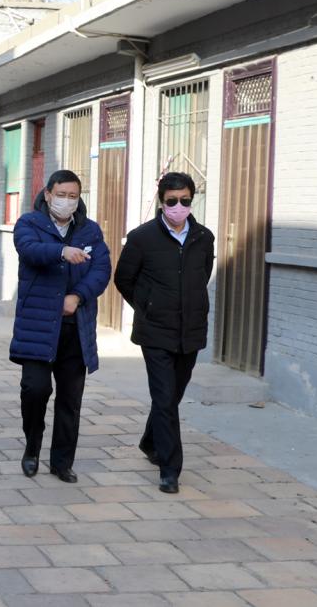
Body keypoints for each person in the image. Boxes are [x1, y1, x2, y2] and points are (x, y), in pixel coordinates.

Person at [113, 172, 215, 494]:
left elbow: (202, 276)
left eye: (185, 200)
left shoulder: (204, 237)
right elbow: (123, 279)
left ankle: (149, 440)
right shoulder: (142, 238)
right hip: (155, 332)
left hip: (191, 331)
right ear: (162, 201)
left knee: (171, 396)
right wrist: (148, 306)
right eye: (172, 201)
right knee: (165, 397)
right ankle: (170, 469)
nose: (179, 206)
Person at [9, 170, 110, 483]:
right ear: (48, 194)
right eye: (61, 195)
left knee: (70, 399)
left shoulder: (90, 231)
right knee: (35, 390)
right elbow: (29, 250)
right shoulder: (30, 224)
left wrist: (77, 297)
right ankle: (32, 447)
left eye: (73, 196)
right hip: (38, 326)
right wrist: (61, 251)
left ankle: (62, 462)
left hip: (75, 328)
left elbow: (102, 270)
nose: (67, 201)